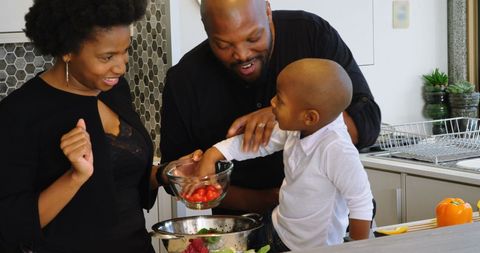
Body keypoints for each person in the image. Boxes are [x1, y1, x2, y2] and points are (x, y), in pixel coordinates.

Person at [159, 0, 381, 215]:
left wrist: (292, 116)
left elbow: (367, 122)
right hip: (241, 231)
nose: (243, 55)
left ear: (267, 11)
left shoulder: (311, 34)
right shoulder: (184, 81)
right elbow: (177, 176)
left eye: (253, 37)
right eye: (223, 45)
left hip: (331, 222)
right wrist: (269, 201)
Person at [0, 0, 187, 252]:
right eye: (107, 56)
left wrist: (167, 174)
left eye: (125, 51)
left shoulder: (114, 89)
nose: (121, 66)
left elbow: (121, 180)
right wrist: (75, 176)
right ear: (67, 50)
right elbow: (12, 225)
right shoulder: (20, 112)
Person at [194, 58, 374, 252]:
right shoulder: (299, 127)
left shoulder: (337, 150)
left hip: (310, 248)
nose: (271, 103)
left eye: (280, 99)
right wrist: (214, 153)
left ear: (309, 117)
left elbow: (361, 202)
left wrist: (357, 248)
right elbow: (257, 144)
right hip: (276, 228)